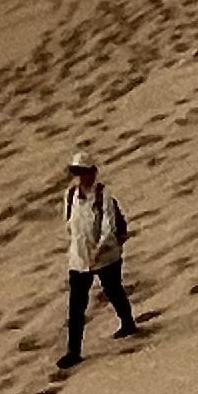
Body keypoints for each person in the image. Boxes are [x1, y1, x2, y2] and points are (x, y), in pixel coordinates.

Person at [58, 148, 141, 370]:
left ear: (93, 172)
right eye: (78, 172)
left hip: (105, 257)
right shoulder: (70, 196)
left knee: (113, 290)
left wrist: (100, 248)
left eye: (84, 171)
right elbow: (70, 226)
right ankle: (73, 351)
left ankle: (128, 323)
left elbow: (109, 226)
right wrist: (80, 250)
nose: (82, 176)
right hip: (79, 258)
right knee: (76, 306)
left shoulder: (104, 196)